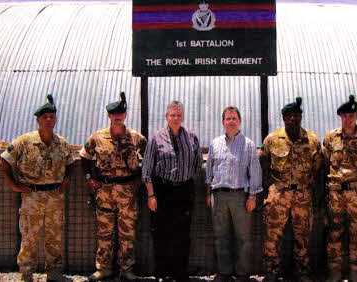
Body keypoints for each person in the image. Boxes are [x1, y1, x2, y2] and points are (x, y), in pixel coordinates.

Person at [0, 95, 74, 282]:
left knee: (54, 237)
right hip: (32, 196)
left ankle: (54, 272)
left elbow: (71, 162)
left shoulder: (61, 143)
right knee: (29, 237)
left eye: (51, 116)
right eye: (45, 117)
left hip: (55, 196)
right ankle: (26, 273)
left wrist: (66, 180)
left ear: (55, 119)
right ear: (38, 120)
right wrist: (13, 184)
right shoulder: (25, 141)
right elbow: (4, 162)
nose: (49, 120)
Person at [80, 92, 147, 281]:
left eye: (121, 114)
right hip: (104, 192)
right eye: (114, 114)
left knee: (128, 233)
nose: (117, 117)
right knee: (104, 232)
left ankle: (127, 269)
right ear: (109, 115)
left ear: (125, 115)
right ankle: (104, 268)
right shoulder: (97, 137)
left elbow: (149, 160)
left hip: (127, 192)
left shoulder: (136, 138)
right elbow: (84, 158)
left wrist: (140, 179)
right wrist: (88, 177)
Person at [260, 97, 322, 282]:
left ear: (301, 117)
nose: (292, 119)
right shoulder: (272, 140)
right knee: (272, 237)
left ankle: (302, 273)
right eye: (289, 116)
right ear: (283, 118)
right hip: (279, 194)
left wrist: (314, 194)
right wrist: (270, 190)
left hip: (303, 195)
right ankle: (271, 272)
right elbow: (264, 165)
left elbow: (317, 169)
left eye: (296, 115)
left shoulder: (312, 141)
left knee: (303, 237)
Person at [142, 100, 202, 282]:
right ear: (166, 117)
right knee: (161, 234)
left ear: (182, 117)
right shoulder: (156, 138)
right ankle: (162, 273)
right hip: (162, 191)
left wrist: (187, 182)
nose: (176, 118)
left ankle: (180, 273)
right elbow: (146, 169)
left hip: (184, 191)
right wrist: (151, 195)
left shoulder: (191, 137)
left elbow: (198, 164)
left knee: (182, 234)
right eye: (172, 115)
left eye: (179, 115)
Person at [205, 106, 262, 282]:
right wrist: (209, 193)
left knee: (243, 237)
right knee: (221, 236)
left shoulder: (249, 145)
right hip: (219, 196)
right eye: (228, 118)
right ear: (223, 122)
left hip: (240, 197)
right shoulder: (215, 144)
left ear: (240, 121)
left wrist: (252, 196)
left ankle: (243, 273)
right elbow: (209, 171)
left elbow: (255, 172)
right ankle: (224, 272)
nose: (231, 121)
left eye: (234, 118)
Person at [323, 95, 357, 282]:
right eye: (345, 115)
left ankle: (356, 274)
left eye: (351, 115)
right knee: (334, 232)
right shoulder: (331, 137)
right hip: (336, 194)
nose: (348, 119)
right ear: (340, 117)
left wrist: (356, 183)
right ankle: (335, 273)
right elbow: (325, 162)